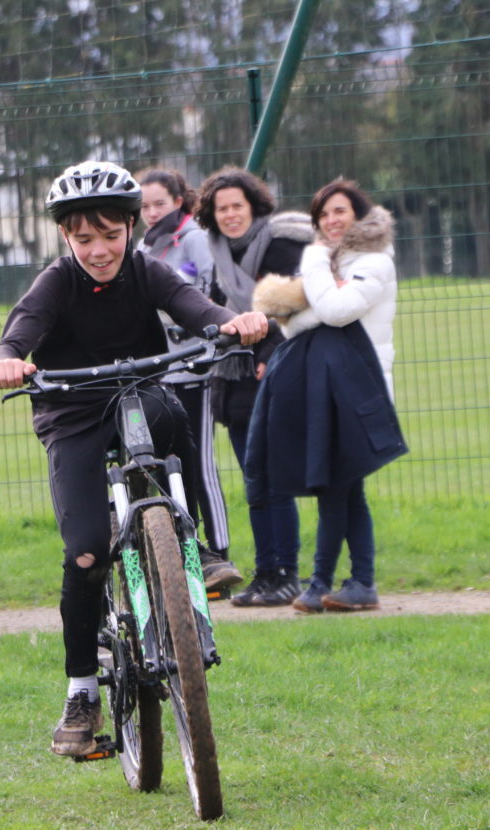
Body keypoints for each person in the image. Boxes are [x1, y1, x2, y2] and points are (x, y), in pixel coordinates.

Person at [0, 161, 268, 757]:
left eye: (111, 235)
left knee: (174, 415)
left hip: (139, 393)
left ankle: (196, 546)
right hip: (72, 411)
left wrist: (233, 322)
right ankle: (82, 692)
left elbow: (196, 309)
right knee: (86, 552)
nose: (99, 250)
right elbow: (19, 333)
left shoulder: (147, 270)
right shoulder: (56, 283)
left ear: (132, 228)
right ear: (65, 236)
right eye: (84, 238)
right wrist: (7, 358)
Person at [246, 178, 405, 613]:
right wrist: (317, 295)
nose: (331, 220)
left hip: (360, 390)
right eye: (323, 214)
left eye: (340, 211)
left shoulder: (373, 262)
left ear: (358, 215)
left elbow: (336, 311)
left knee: (336, 489)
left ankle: (320, 584)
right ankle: (361, 583)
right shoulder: (335, 264)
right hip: (331, 391)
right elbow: (293, 325)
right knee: (346, 491)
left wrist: (314, 264)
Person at [195, 166, 313, 608]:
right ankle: (265, 573)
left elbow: (291, 308)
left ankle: (287, 573)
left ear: (253, 206)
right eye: (221, 208)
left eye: (237, 206)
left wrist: (267, 353)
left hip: (274, 370)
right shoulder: (217, 252)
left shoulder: (279, 244)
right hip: (232, 378)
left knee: (275, 476)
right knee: (254, 479)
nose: (230, 215)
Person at [136, 168, 240, 587]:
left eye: (159, 203)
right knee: (165, 467)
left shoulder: (194, 238)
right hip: (160, 373)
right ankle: (182, 557)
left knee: (200, 466)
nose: (151, 212)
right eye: (144, 206)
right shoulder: (143, 245)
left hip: (196, 370)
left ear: (179, 201)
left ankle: (221, 555)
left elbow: (211, 295)